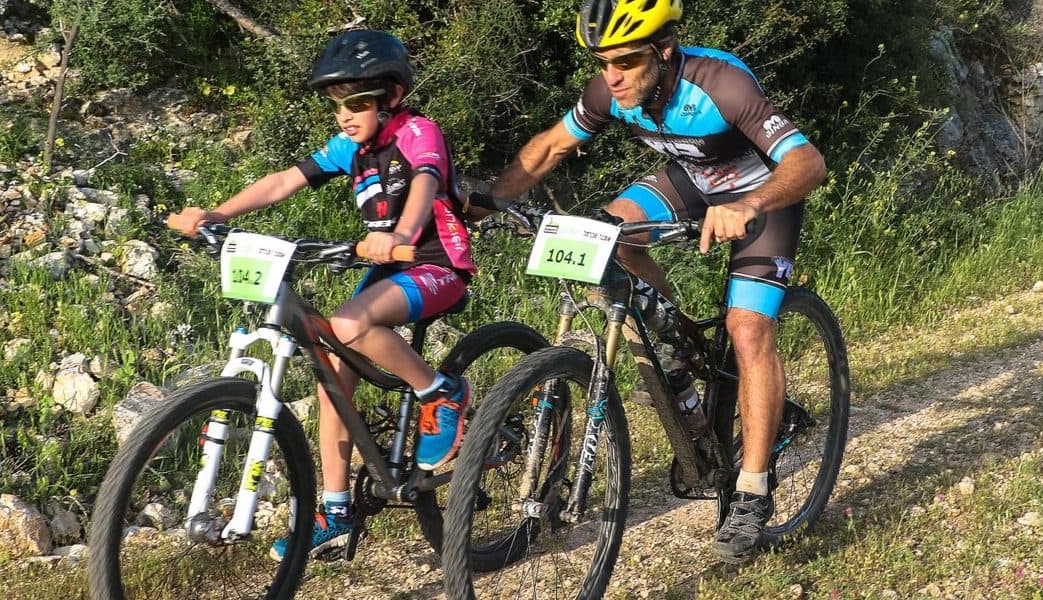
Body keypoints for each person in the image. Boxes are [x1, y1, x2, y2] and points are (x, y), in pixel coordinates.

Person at [474, 0, 827, 563]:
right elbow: (551, 146)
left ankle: (753, 491)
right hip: (693, 180)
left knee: (747, 327)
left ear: (664, 50)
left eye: (625, 62)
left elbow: (808, 162)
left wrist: (750, 204)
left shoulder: (721, 85)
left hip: (762, 194)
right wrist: (489, 201)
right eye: (602, 63)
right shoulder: (609, 89)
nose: (611, 77)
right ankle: (673, 334)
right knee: (610, 233)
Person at [166, 29, 476, 560]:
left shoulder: (417, 131)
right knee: (331, 375)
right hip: (388, 268)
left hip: (435, 264)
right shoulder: (350, 148)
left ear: (391, 97)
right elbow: (283, 180)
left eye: (356, 103)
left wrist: (401, 234)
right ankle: (335, 513)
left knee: (350, 324)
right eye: (337, 105)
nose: (344, 116)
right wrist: (217, 214)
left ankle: (441, 392)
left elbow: (426, 181)